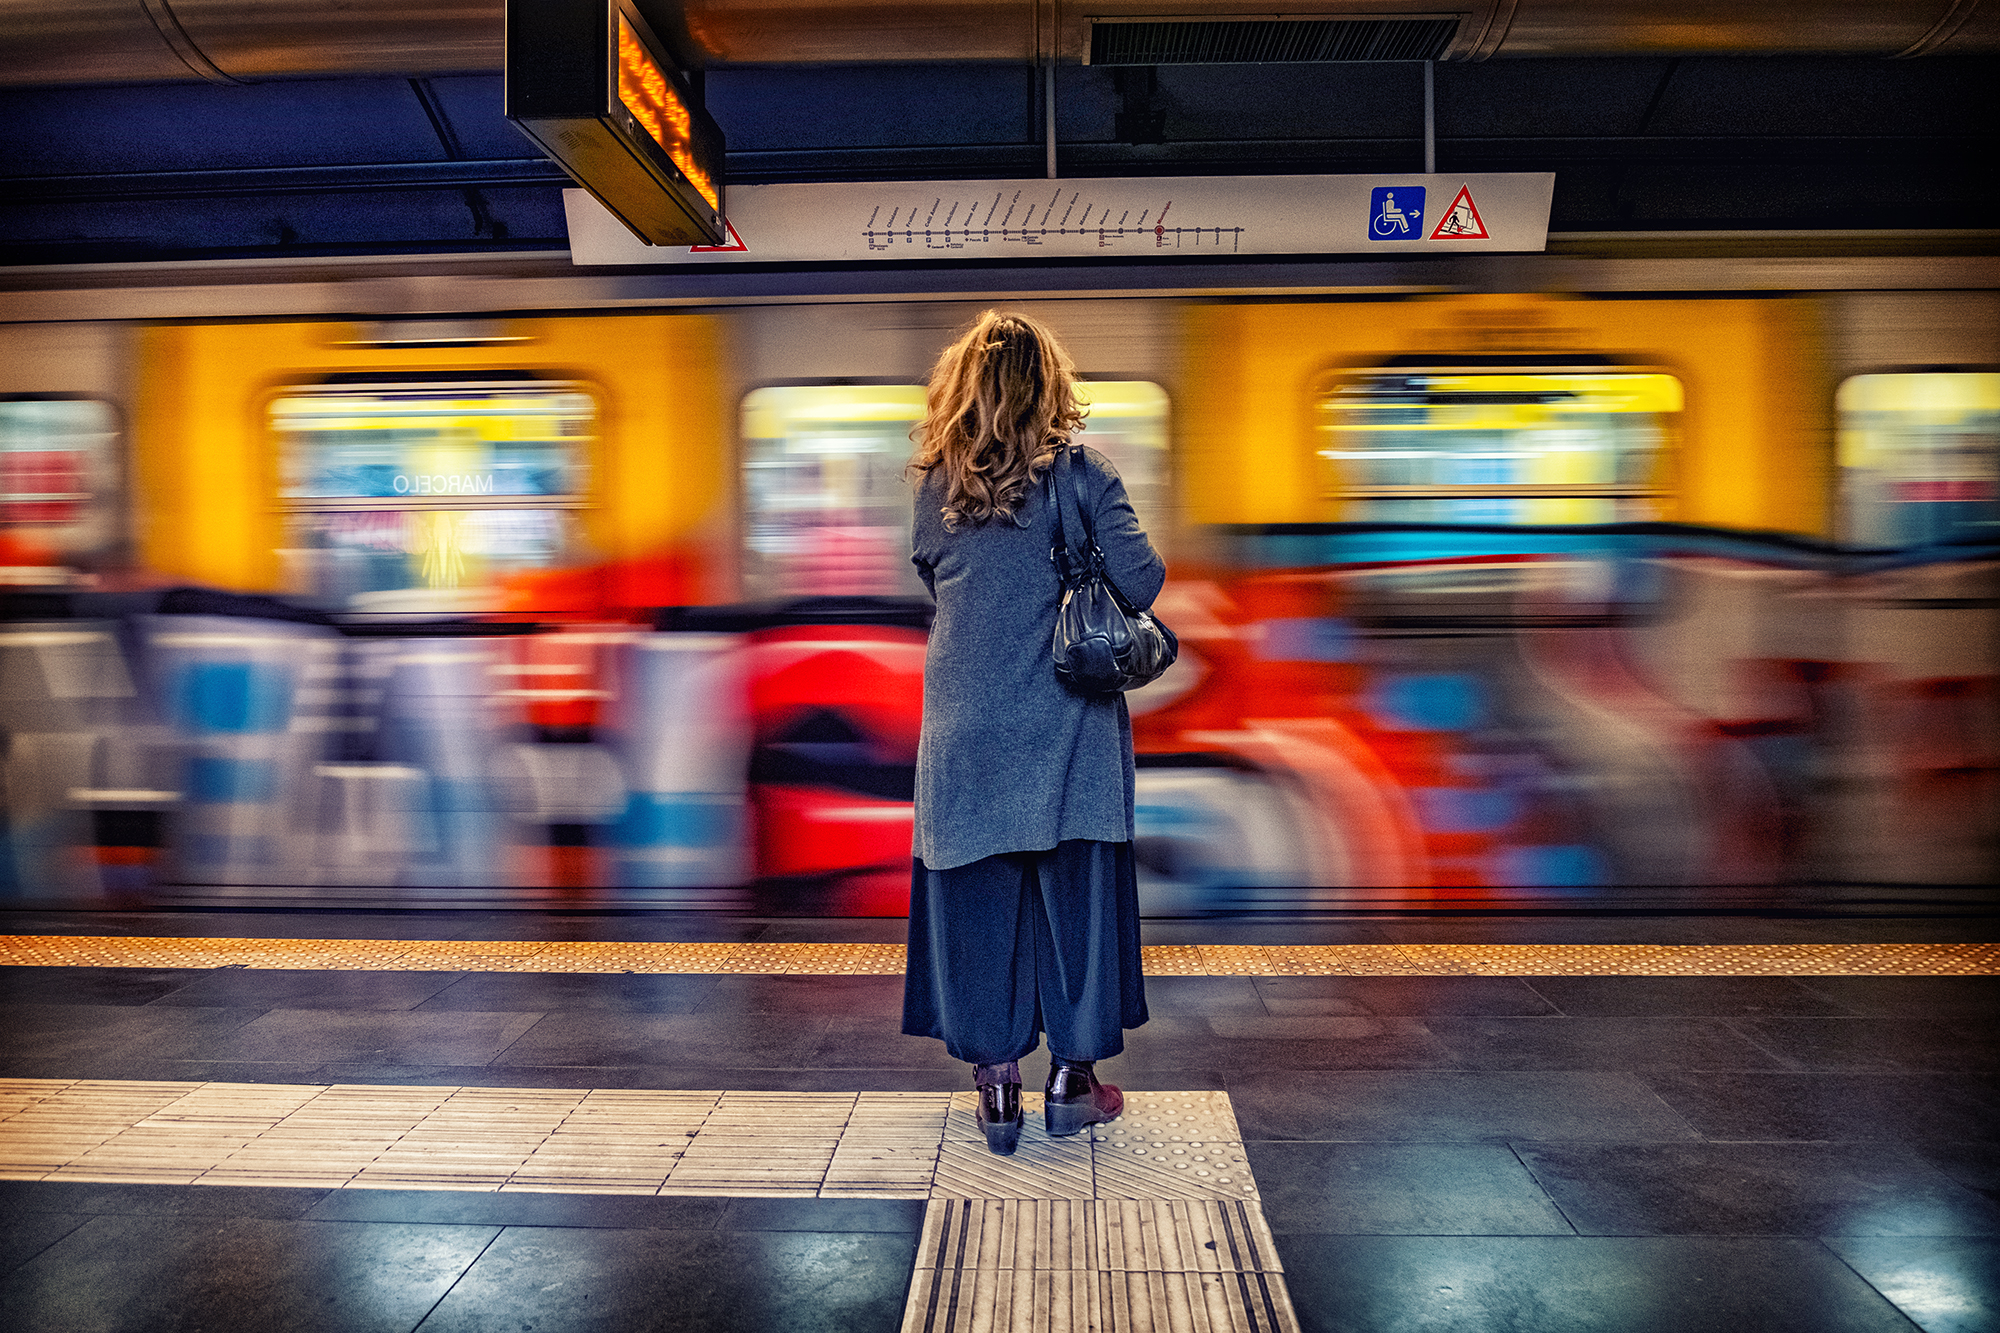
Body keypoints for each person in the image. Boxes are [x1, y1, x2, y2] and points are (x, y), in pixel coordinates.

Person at [901, 310, 1166, 1156]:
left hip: (964, 735)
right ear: (1051, 389)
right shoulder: (1086, 475)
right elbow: (1146, 580)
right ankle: (1072, 1084)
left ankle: (997, 1092)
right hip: (1069, 732)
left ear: (963, 394)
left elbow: (933, 587)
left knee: (979, 911)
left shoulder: (937, 488)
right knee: (1078, 911)